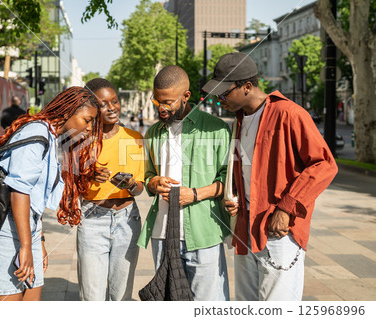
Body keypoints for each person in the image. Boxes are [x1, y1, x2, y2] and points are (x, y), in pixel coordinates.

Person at [203, 52, 338, 301]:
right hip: (247, 228)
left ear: (246, 86)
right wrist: (235, 199)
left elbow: (324, 164)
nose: (220, 99)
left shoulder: (289, 113)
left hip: (279, 231)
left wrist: (286, 208)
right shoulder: (240, 119)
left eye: (224, 93)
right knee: (247, 303)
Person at [0, 87, 102, 301]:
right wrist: (25, 246)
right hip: (5, 231)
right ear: (67, 112)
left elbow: (35, 197)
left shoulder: (50, 137)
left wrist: (37, 241)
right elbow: (19, 191)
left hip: (26, 229)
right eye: (87, 120)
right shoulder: (37, 133)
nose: (89, 128)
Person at [137, 65, 231, 301]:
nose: (160, 107)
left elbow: (229, 181)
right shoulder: (153, 133)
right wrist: (153, 182)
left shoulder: (216, 129)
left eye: (167, 101)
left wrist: (196, 194)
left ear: (186, 96)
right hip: (162, 234)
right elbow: (147, 176)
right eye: (156, 100)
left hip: (203, 234)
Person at [77, 78, 145, 301]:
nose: (111, 107)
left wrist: (131, 184)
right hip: (92, 219)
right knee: (92, 297)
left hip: (127, 220)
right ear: (92, 108)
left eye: (114, 101)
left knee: (121, 297)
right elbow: (70, 186)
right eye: (103, 104)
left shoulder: (134, 138)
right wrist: (87, 175)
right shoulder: (81, 140)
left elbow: (140, 189)